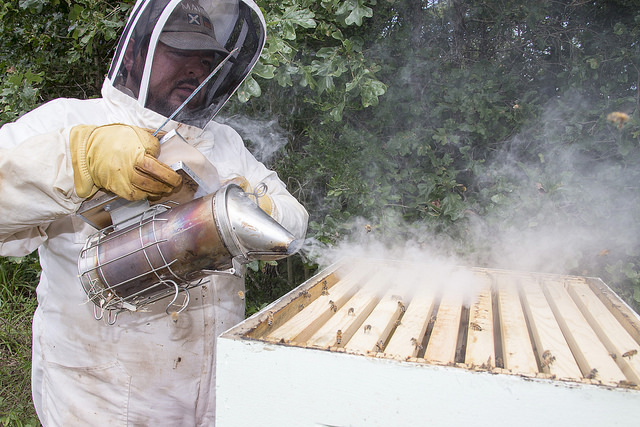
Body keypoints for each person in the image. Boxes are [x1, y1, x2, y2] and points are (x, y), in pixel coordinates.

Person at [0, 0, 308, 425]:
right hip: (99, 400)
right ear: (136, 53)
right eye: (179, 53)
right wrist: (79, 161)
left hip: (210, 397)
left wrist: (253, 207)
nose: (196, 70)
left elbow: (293, 223)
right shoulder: (71, 121)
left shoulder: (224, 144)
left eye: (206, 61)